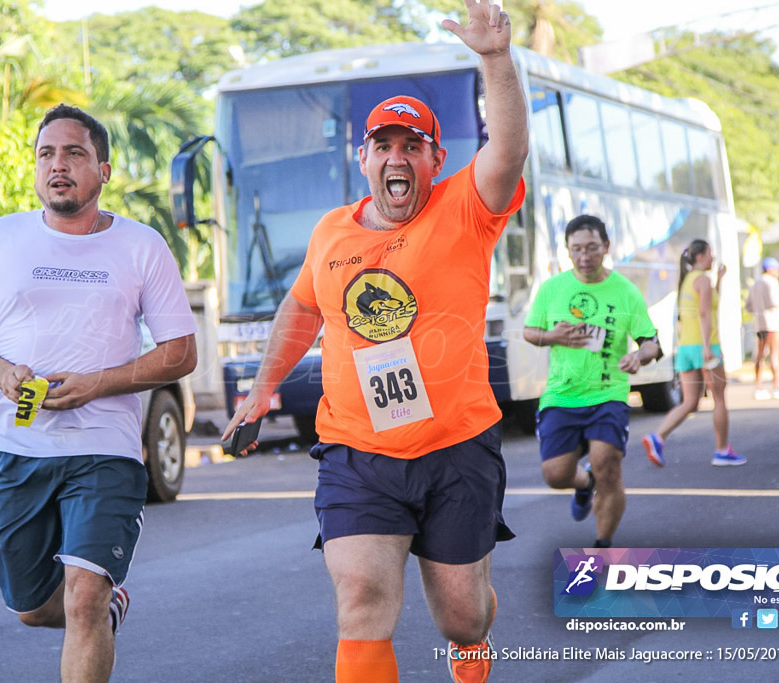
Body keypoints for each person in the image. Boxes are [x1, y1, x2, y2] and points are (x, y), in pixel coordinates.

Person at [222, 2, 528, 681]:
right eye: (384, 145)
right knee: (361, 599)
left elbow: (507, 150)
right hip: (358, 452)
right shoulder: (331, 232)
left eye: (411, 145)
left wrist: (496, 59)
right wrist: (262, 390)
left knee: (461, 614)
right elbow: (301, 311)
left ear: (435, 158)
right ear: (363, 157)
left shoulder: (466, 209)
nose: (398, 156)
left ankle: (472, 640)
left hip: (456, 446)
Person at [0, 104, 197, 682]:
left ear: (103, 171)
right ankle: (107, 608)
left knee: (83, 599)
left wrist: (97, 385)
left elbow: (181, 352)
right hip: (14, 447)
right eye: (47, 154)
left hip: (106, 449)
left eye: (75, 153)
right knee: (34, 609)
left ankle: (98, 604)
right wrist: (2, 372)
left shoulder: (141, 245)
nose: (58, 165)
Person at [523, 215, 662, 548]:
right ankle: (583, 483)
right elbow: (529, 332)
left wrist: (638, 356)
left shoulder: (626, 291)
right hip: (562, 395)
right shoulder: (552, 289)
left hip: (608, 394)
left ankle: (602, 546)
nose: (584, 257)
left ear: (606, 247)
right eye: (576, 250)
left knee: (608, 466)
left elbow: (652, 342)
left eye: (591, 248)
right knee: (555, 475)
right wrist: (551, 336)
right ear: (567, 251)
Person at [641, 239, 746, 467]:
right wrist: (708, 346)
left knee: (690, 402)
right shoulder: (702, 281)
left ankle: (657, 437)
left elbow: (704, 305)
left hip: (686, 348)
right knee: (719, 398)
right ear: (700, 256)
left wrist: (719, 280)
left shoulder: (688, 280)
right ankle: (722, 450)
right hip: (705, 347)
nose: (712, 258)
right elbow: (706, 314)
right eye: (710, 254)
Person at [746, 256, 779, 399]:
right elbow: (774, 301)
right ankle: (777, 387)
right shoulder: (772, 282)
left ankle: (758, 387)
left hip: (760, 325)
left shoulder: (755, 284)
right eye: (777, 269)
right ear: (770, 270)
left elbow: (748, 306)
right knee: (774, 355)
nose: (778, 272)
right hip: (773, 323)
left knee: (760, 355)